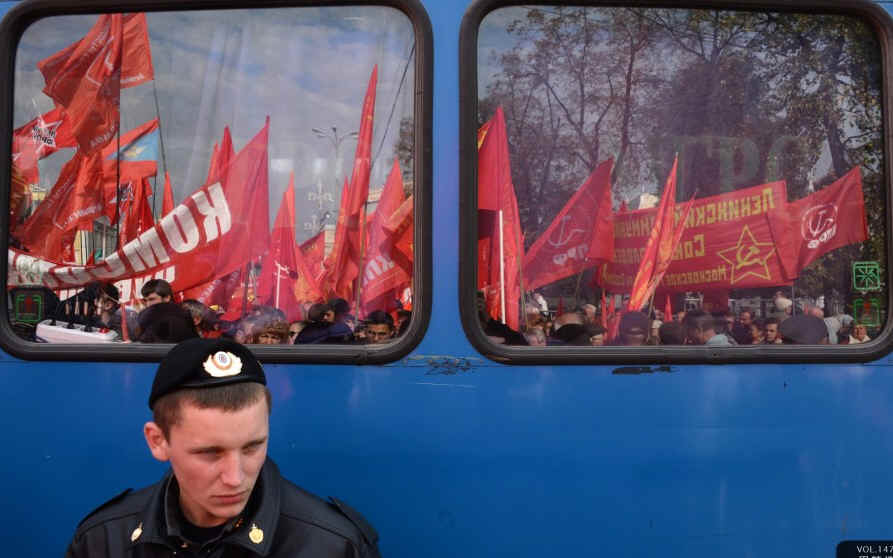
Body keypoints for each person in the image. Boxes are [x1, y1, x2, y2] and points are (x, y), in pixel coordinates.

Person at [65, 338, 381, 557]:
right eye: (209, 453)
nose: (235, 478)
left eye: (252, 448)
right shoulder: (102, 542)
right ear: (157, 441)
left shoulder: (335, 547)